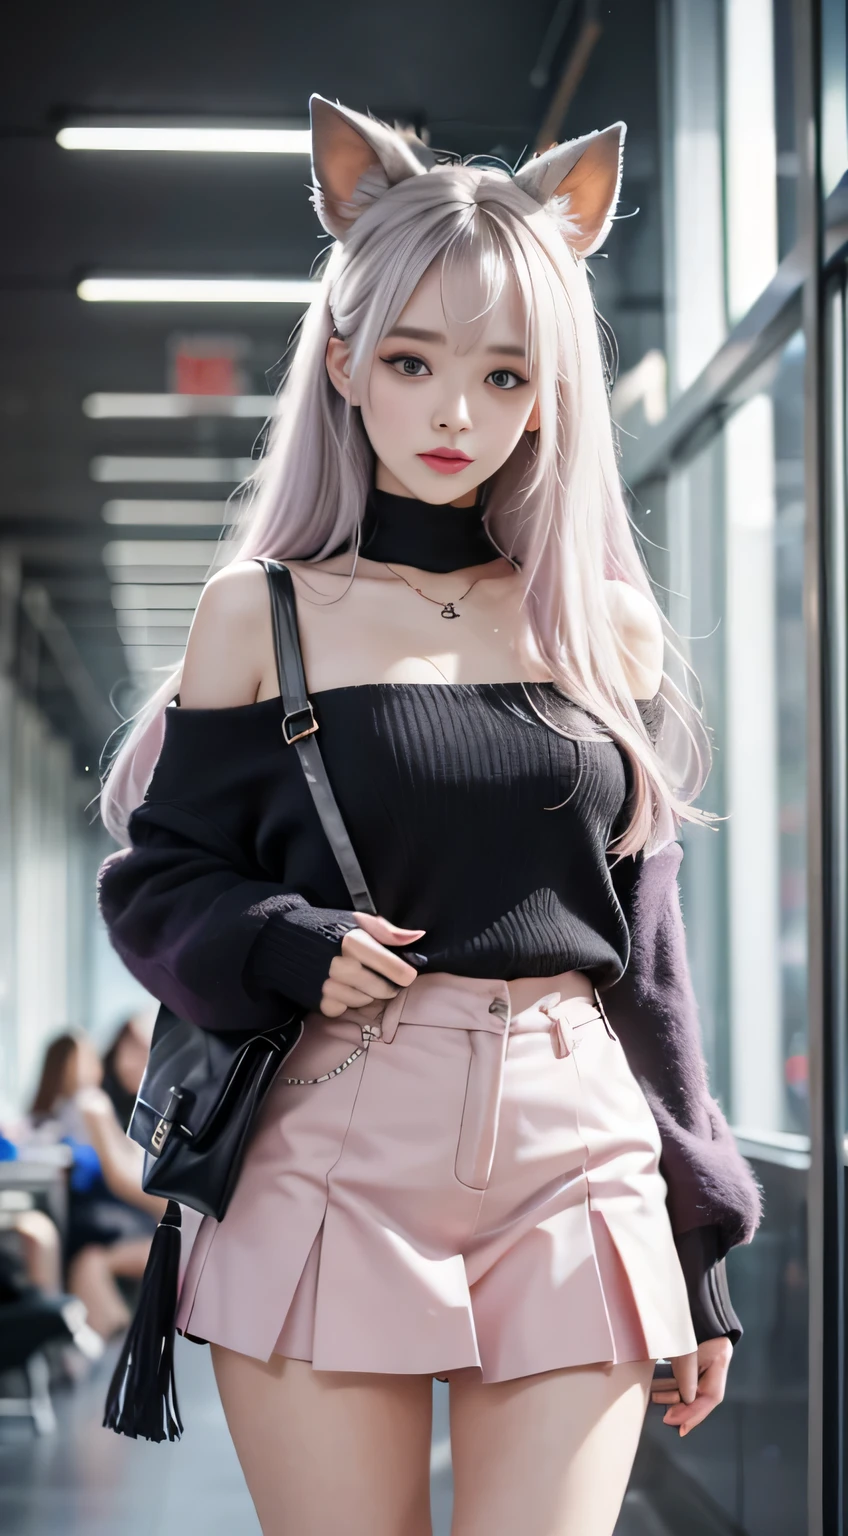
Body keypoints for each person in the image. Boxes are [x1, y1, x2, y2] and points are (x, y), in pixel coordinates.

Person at [95, 97, 763, 1536]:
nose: (458, 412)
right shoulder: (260, 616)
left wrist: (698, 1243)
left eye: (505, 373)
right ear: (344, 365)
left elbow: (647, 969)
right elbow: (158, 884)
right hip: (337, 1126)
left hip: (577, 1138)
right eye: (413, 361)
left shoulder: (605, 634)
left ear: (550, 394)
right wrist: (281, 940)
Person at [25, 1031, 156, 1340]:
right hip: (108, 1218)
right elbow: (128, 1172)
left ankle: (104, 1345)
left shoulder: (51, 1115)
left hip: (94, 1221)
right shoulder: (92, 1105)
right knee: (89, 1260)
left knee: (89, 1261)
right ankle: (110, 1346)